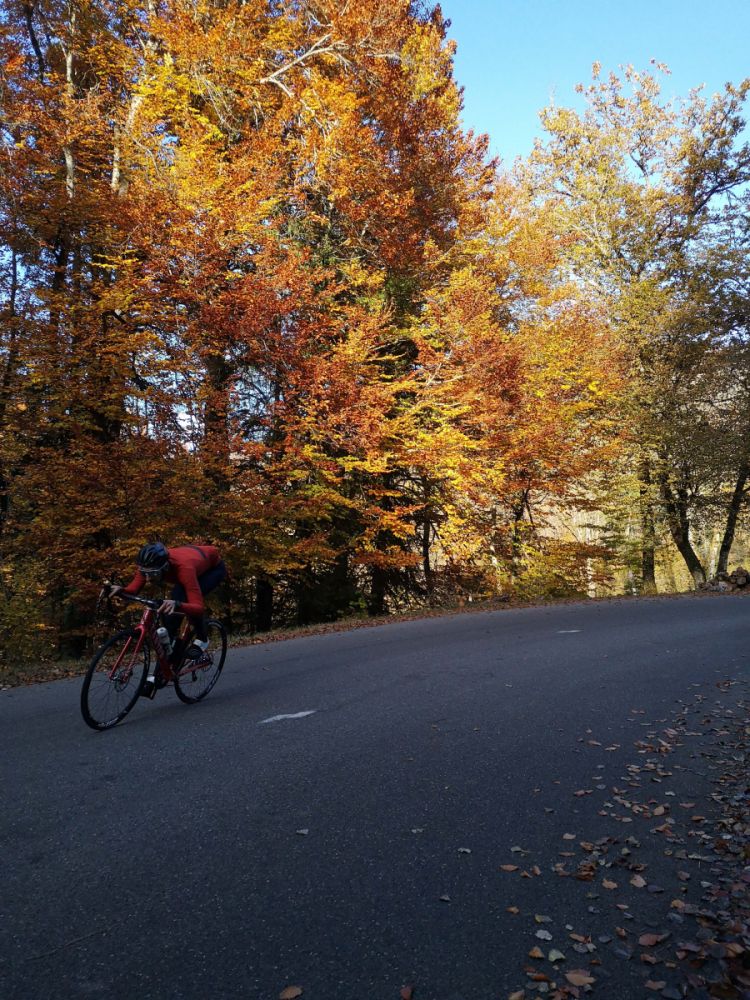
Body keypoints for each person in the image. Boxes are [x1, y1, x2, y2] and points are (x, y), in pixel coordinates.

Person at [111, 542, 227, 657]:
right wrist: (120, 590)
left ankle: (202, 639)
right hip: (192, 561)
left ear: (165, 566)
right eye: (143, 573)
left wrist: (177, 604)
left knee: (182, 599)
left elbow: (198, 608)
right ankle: (172, 652)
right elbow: (133, 589)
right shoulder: (149, 565)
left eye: (152, 574)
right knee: (170, 615)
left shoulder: (184, 569)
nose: (147, 579)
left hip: (212, 570)